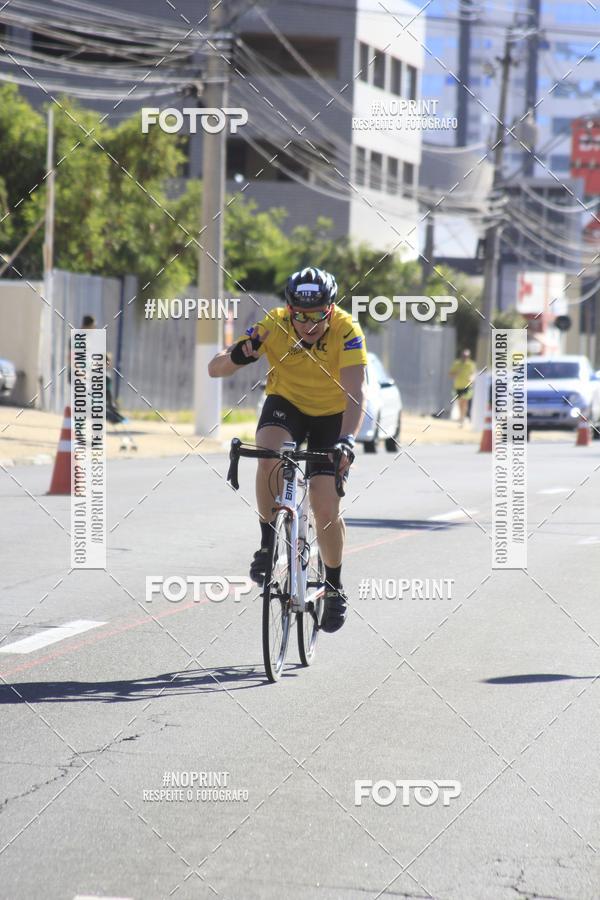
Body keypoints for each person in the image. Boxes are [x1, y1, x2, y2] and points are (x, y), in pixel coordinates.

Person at [208, 266, 368, 633]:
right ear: (289, 311)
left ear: (329, 310)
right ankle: (266, 546)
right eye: (300, 316)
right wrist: (238, 356)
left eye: (316, 316)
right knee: (268, 456)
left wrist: (347, 440)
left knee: (325, 505)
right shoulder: (273, 325)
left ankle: (334, 586)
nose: (307, 325)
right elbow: (214, 368)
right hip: (287, 405)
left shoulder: (347, 330)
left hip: (332, 416)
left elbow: (356, 393)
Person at [449, 348, 476, 426]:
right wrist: (455, 374)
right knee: (460, 403)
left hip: (467, 386)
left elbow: (473, 374)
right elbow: (450, 374)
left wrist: (472, 378)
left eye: (466, 356)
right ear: (462, 356)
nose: (465, 357)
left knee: (465, 402)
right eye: (464, 356)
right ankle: (461, 417)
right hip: (458, 386)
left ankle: (462, 418)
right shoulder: (457, 364)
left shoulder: (471, 364)